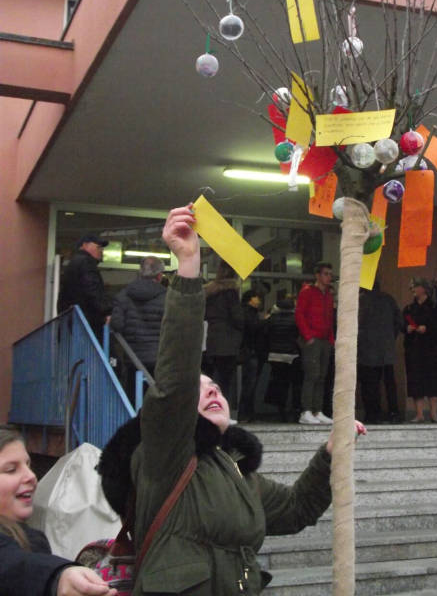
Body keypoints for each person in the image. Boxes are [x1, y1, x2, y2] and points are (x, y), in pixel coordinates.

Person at [97, 205, 365, 596]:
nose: (212, 390)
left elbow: (295, 510)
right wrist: (188, 266)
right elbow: (175, 381)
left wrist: (330, 455)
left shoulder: (236, 471)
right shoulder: (165, 457)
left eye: (217, 388)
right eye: (200, 388)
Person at [0, 426, 117, 596]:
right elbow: (10, 564)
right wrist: (58, 578)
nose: (31, 476)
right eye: (11, 470)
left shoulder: (34, 539)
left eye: (28, 465)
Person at [110, 256, 166, 397]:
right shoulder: (167, 298)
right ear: (159, 276)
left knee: (133, 398)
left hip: (132, 356)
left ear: (140, 273)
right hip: (159, 358)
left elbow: (117, 324)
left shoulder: (123, 295)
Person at [295, 261, 335, 425]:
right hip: (312, 339)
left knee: (322, 376)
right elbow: (299, 315)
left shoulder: (329, 295)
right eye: (326, 274)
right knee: (312, 375)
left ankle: (317, 410)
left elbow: (330, 318)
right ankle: (306, 411)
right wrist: (308, 336)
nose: (329, 277)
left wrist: (331, 339)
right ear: (317, 275)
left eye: (330, 274)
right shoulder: (307, 292)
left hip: (325, 339)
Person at [402, 277, 437, 423]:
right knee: (416, 381)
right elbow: (401, 325)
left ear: (423, 288)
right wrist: (407, 328)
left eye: (415, 287)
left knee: (432, 380)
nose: (413, 290)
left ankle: (434, 413)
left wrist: (427, 328)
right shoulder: (409, 308)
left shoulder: (434, 307)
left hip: (431, 348)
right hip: (414, 348)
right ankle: (419, 413)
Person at [357, 284, 403, 424]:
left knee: (370, 384)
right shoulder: (389, 299)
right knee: (389, 383)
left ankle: (373, 414)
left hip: (367, 350)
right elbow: (399, 322)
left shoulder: (361, 301)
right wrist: (390, 338)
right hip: (386, 349)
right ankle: (393, 413)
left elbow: (357, 324)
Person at [58, 235, 112, 340]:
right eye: (98, 247)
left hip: (72, 322)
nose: (101, 251)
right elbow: (92, 290)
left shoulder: (74, 262)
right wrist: (106, 312)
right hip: (87, 323)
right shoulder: (86, 263)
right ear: (85, 245)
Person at [203, 259, 244, 402]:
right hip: (228, 341)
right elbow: (237, 317)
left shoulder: (209, 293)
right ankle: (222, 411)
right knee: (225, 380)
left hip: (212, 339)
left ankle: (210, 409)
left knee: (213, 378)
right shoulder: (230, 293)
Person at [263, 295, 302, 422]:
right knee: (295, 384)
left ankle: (281, 411)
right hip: (292, 355)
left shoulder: (271, 319)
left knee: (280, 384)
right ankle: (296, 410)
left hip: (275, 356)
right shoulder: (296, 319)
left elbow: (265, 333)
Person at [237, 290, 265, 423]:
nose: (258, 300)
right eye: (256, 297)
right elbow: (253, 329)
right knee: (249, 385)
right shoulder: (249, 314)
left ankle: (247, 413)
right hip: (250, 352)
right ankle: (245, 413)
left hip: (249, 352)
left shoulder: (248, 313)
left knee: (249, 385)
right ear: (250, 299)